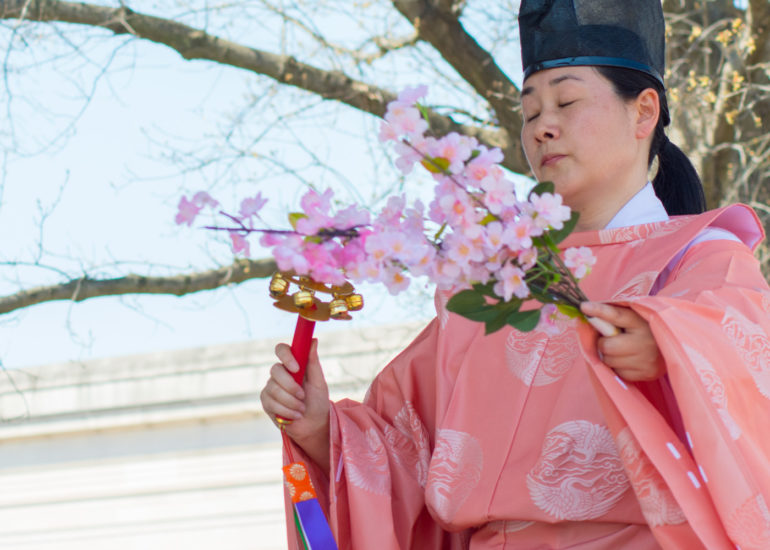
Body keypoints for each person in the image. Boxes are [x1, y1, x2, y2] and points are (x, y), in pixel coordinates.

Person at [261, 0, 770, 547]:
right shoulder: (496, 286)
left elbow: (743, 356)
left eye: (567, 102)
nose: (543, 128)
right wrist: (321, 431)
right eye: (529, 114)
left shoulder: (698, 255)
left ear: (644, 111)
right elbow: (407, 442)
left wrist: (668, 348)